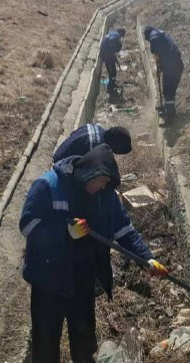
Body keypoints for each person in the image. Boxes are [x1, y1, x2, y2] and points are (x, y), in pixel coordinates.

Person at [20, 144, 168, 362]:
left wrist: (147, 259)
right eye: (102, 181)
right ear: (90, 173)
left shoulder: (106, 197)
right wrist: (65, 231)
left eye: (107, 183)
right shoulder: (48, 185)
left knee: (85, 346)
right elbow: (28, 225)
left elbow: (125, 231)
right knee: (45, 348)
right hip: (48, 281)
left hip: (82, 280)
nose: (103, 186)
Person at [143, 26, 184, 121]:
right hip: (174, 64)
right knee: (169, 90)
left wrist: (157, 57)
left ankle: (170, 116)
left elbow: (156, 50)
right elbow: (163, 53)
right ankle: (168, 110)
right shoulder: (161, 36)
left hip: (172, 67)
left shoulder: (154, 36)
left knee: (168, 90)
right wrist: (160, 66)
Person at [52, 123, 131, 162]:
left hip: (59, 152)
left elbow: (73, 134)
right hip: (61, 163)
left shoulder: (95, 126)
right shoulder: (98, 149)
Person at [100, 27, 126, 94]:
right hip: (106, 54)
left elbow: (112, 51)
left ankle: (111, 84)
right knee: (113, 71)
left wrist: (117, 63)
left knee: (111, 71)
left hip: (104, 52)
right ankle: (110, 88)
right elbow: (111, 42)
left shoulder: (113, 33)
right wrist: (112, 53)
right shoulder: (117, 36)